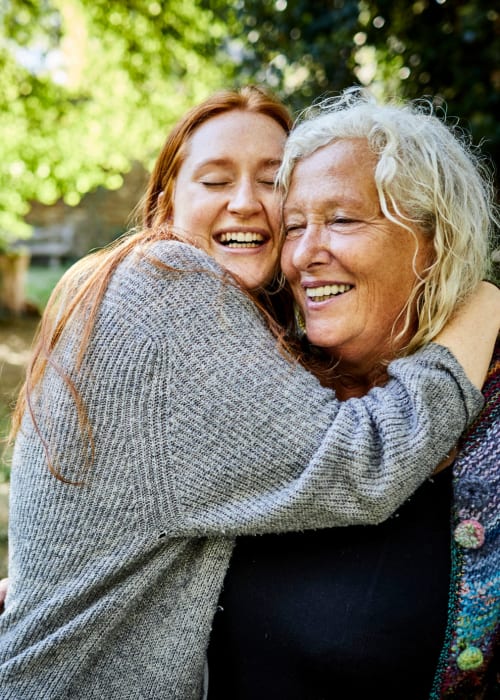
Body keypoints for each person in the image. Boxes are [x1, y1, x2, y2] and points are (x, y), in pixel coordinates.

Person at [0, 85, 497, 700]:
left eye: (272, 183)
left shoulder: (246, 349)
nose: (246, 203)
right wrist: (483, 300)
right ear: (165, 205)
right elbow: (363, 461)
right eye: (214, 180)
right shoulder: (167, 288)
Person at [206, 88, 500, 699]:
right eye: (293, 227)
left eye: (342, 219)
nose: (306, 255)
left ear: (434, 242)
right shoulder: (258, 392)